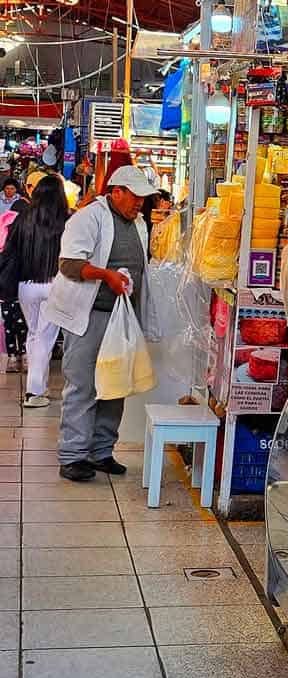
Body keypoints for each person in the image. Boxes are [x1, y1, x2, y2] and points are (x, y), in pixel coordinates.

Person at [42, 165, 160, 483]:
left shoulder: (138, 223)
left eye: (144, 200)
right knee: (82, 385)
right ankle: (73, 456)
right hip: (87, 314)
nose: (140, 205)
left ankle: (101, 451)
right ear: (116, 191)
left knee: (114, 385)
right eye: (136, 198)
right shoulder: (87, 217)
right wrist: (107, 275)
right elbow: (69, 264)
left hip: (121, 317)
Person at [0, 176, 68, 406]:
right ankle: (34, 392)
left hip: (25, 287)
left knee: (34, 334)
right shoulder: (64, 222)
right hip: (54, 285)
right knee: (45, 337)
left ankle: (40, 387)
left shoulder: (22, 220)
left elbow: (9, 253)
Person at [0, 199, 29, 373]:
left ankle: (12, 357)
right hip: (20, 284)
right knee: (23, 323)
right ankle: (24, 355)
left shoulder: (4, 227)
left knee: (9, 323)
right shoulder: (24, 230)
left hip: (5, 287)